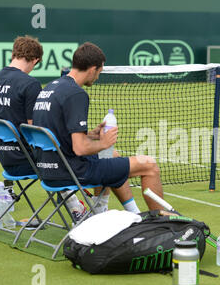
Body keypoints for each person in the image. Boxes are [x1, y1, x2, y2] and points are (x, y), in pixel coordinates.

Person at [32, 42, 165, 212]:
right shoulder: (77, 94)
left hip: (46, 169)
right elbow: (79, 148)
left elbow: (57, 134)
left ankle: (126, 213)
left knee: (113, 155)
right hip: (70, 172)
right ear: (93, 68)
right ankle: (161, 222)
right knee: (149, 165)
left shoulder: (50, 88)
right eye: (99, 72)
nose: (97, 78)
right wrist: (104, 143)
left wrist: (92, 135)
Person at [0, 35, 87, 220]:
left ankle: (76, 206)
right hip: (29, 161)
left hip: (5, 160)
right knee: (67, 150)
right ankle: (78, 209)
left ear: (14, 53)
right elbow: (36, 130)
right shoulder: (30, 84)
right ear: (36, 59)